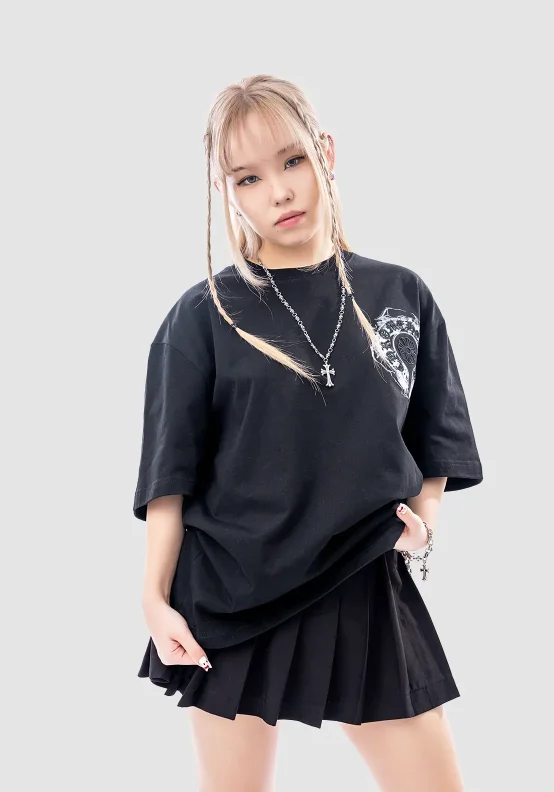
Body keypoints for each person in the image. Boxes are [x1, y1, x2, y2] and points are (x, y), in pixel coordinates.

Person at [133, 73, 483, 792]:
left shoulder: (400, 292)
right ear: (227, 192)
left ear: (326, 150)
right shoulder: (203, 314)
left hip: (363, 574)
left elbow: (436, 432)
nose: (279, 192)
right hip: (230, 594)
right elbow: (170, 474)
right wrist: (154, 599)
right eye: (249, 178)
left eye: (292, 160)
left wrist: (424, 522)